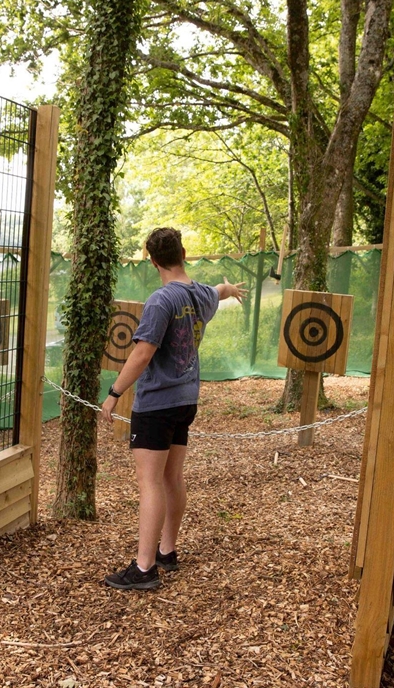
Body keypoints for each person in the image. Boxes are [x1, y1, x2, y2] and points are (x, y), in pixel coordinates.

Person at [100, 227, 247, 590]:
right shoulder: (200, 295)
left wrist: (114, 392)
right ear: (184, 252)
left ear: (152, 261)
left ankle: (145, 568)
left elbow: (143, 352)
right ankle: (167, 551)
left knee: (150, 482)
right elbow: (219, 291)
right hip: (186, 401)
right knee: (171, 478)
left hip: (156, 405)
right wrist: (230, 289)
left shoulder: (161, 300)